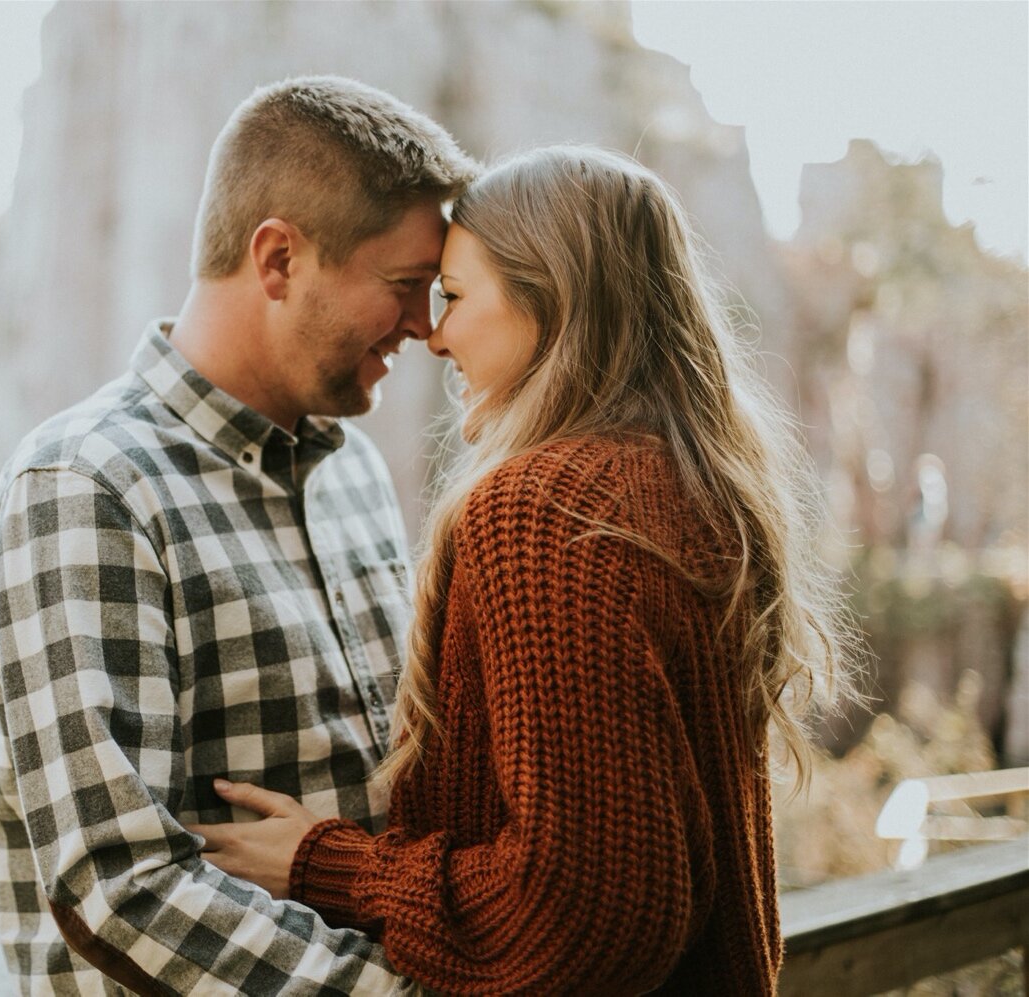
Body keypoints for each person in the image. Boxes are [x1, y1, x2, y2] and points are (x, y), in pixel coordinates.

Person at [190, 146, 857, 995]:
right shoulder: (694, 490)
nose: (434, 335)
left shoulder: (544, 512)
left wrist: (331, 867)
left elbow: (587, 913)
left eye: (457, 298)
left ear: (552, 301)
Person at [0, 76, 477, 994]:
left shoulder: (351, 468)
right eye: (403, 287)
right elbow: (120, 886)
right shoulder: (86, 489)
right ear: (277, 258)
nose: (424, 328)